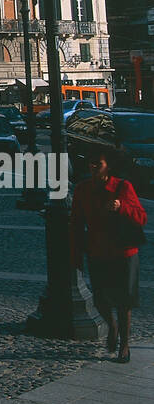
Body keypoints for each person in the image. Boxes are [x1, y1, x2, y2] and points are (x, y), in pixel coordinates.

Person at [70, 149, 147, 362]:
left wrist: (122, 207)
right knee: (100, 299)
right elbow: (76, 222)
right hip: (98, 251)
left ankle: (124, 345)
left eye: (98, 163)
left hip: (124, 252)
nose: (93, 166)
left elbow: (142, 218)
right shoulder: (82, 189)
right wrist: (74, 252)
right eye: (91, 162)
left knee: (124, 302)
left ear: (109, 166)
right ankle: (111, 326)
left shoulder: (123, 187)